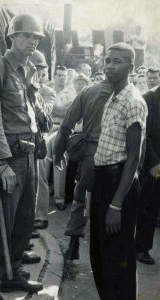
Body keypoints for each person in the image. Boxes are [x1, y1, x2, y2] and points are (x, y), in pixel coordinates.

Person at [0, 13, 52, 299]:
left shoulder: (27, 70)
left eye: (36, 37)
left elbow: (37, 115)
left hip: (28, 153)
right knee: (0, 222)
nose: (33, 41)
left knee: (24, 219)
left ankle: (13, 273)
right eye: (27, 35)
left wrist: (35, 92)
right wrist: (2, 162)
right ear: (12, 37)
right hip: (7, 155)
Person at [90, 43, 147, 299]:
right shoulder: (113, 95)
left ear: (130, 67)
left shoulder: (133, 101)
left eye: (117, 62)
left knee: (118, 258)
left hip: (119, 183)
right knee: (100, 253)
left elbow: (134, 158)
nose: (109, 66)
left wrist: (115, 206)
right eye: (108, 60)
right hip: (104, 180)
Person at [53, 79, 112, 260]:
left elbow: (66, 125)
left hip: (91, 155)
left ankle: (74, 243)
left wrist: (57, 153)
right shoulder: (127, 93)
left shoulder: (88, 92)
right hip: (115, 156)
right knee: (110, 202)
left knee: (81, 196)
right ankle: (105, 249)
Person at [29, 50, 55, 230]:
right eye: (37, 69)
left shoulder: (46, 91)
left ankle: (40, 216)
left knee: (40, 177)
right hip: (27, 137)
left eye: (41, 70)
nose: (40, 73)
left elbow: (46, 113)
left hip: (40, 137)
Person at [135, 85, 160, 265]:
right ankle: (141, 248)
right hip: (154, 164)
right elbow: (146, 134)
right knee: (147, 206)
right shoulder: (149, 98)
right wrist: (153, 163)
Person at [46, 66, 75, 210]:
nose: (61, 78)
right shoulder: (47, 89)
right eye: (59, 75)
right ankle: (42, 195)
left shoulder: (70, 93)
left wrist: (51, 108)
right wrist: (58, 109)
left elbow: (67, 112)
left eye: (64, 75)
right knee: (43, 156)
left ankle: (59, 198)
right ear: (55, 76)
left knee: (60, 155)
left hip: (62, 128)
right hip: (47, 127)